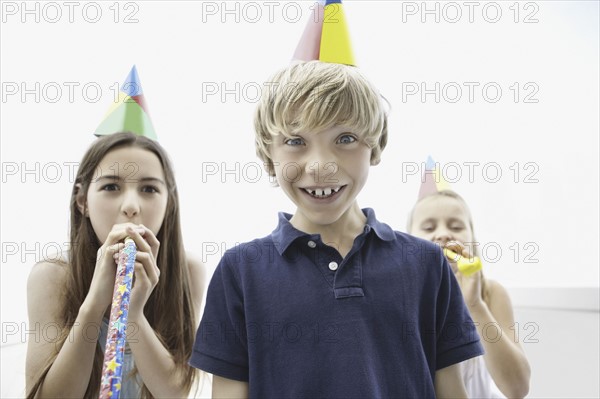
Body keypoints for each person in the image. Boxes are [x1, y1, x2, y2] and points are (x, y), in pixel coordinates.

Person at [189, 60, 484, 398]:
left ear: (374, 145)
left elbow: (451, 389)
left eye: (345, 138)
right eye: (295, 140)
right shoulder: (240, 270)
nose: (320, 166)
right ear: (268, 155)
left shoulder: (426, 263)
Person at [26, 132, 205, 398]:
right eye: (111, 187)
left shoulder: (188, 271)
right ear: (82, 201)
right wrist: (94, 305)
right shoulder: (53, 276)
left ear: (170, 203)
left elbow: (175, 394)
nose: (131, 206)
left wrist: (132, 313)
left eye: (149, 189)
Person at [408, 189, 531, 398]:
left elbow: (517, 388)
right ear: (408, 243)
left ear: (472, 240)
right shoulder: (402, 298)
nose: (443, 234)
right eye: (428, 227)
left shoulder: (490, 294)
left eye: (456, 226)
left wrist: (474, 305)